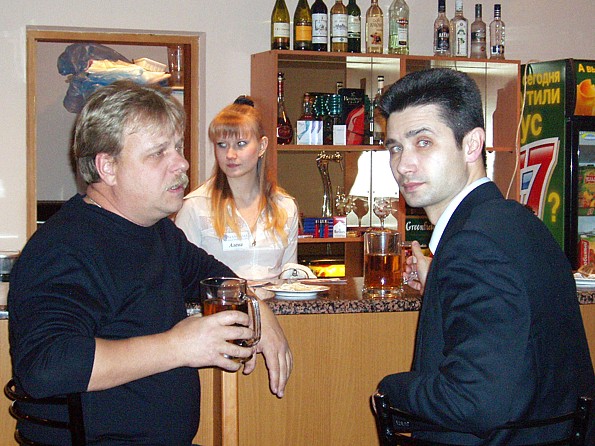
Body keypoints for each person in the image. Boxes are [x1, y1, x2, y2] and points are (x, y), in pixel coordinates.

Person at [8, 81, 292, 444]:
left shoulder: (156, 232)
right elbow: (46, 366)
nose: (182, 163)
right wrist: (178, 347)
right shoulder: (65, 247)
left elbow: (213, 276)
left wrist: (258, 309)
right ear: (107, 167)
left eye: (177, 147)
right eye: (159, 153)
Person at [376, 68, 594, 444]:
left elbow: (476, 403)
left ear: (472, 145)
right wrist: (440, 287)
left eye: (423, 142)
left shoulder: (474, 246)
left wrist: (390, 388)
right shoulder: (516, 222)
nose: (403, 164)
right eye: (395, 147)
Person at [175, 96, 298, 281]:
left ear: (262, 146)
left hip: (273, 300)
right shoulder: (195, 207)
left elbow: (291, 277)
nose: (230, 154)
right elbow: (181, 277)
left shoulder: (285, 206)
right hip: (219, 300)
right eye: (222, 145)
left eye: (241, 144)